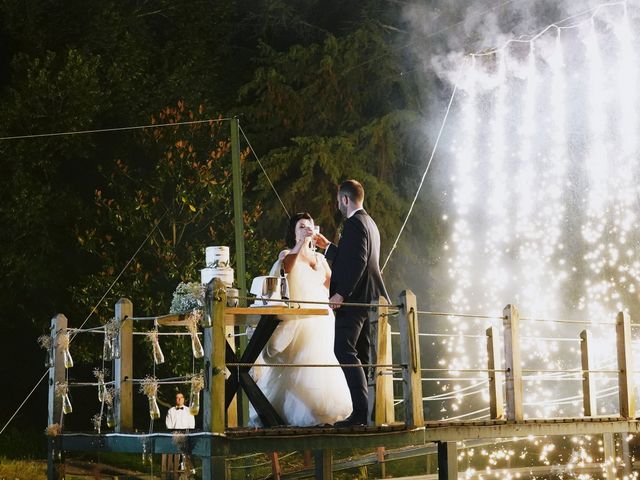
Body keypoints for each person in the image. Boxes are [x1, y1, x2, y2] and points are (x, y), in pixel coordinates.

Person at [249, 212, 352, 427]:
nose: (307, 229)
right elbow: (284, 269)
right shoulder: (288, 253)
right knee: (300, 361)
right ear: (295, 233)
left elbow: (332, 284)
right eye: (301, 227)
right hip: (300, 318)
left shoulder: (321, 259)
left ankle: (321, 413)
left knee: (322, 361)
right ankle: (290, 414)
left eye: (309, 226)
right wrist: (300, 245)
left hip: (322, 320)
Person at [314, 179, 389, 426]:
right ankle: (365, 413)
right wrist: (328, 248)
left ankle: (359, 414)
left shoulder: (354, 223)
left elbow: (357, 262)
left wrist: (341, 294)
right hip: (367, 297)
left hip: (354, 299)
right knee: (362, 353)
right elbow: (352, 257)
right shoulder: (370, 223)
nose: (338, 205)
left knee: (344, 349)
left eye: (338, 201)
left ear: (345, 199)